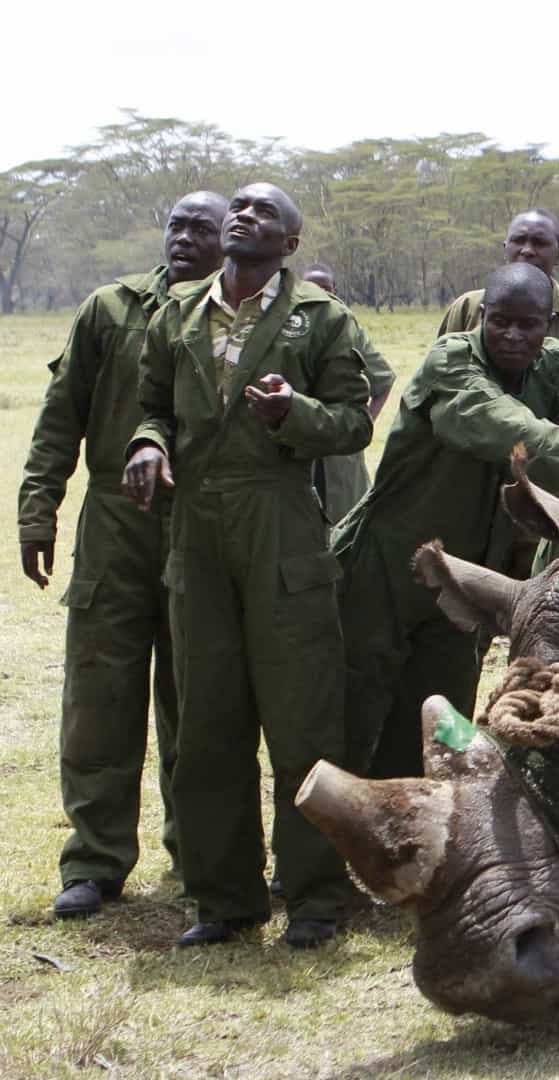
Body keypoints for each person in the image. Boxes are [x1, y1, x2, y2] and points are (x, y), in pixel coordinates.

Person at [124, 182, 373, 949]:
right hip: (195, 527)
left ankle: (316, 898)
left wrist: (292, 413)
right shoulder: (178, 311)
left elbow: (355, 421)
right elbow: (151, 406)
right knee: (206, 720)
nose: (244, 216)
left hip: (281, 521)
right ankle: (225, 900)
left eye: (265, 213)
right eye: (239, 206)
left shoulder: (322, 320)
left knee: (301, 719)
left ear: (290, 243)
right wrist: (148, 444)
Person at [336, 263, 559, 779]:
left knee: (442, 708)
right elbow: (504, 423)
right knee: (354, 706)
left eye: (528, 324)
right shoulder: (452, 361)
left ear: (547, 325)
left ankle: (421, 827)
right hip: (387, 564)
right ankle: (324, 845)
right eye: (500, 321)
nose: (513, 335)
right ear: (483, 315)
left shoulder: (552, 361)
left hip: (466, 572)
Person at [18, 190, 225, 920]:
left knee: (194, 697)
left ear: (229, 239)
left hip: (200, 520)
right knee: (100, 692)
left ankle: (199, 856)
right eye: (176, 224)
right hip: (113, 518)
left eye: (203, 228)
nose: (186, 238)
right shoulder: (110, 308)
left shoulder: (235, 317)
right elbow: (59, 413)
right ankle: (95, 861)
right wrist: (38, 506)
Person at [436, 208, 559, 394]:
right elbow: (442, 377)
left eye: (539, 243)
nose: (527, 250)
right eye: (518, 241)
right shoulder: (467, 307)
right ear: (505, 248)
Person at [300, 263, 395, 523]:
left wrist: (364, 422)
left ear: (336, 292)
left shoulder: (347, 328)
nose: (321, 297)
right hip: (301, 445)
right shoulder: (291, 329)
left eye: (327, 290)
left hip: (340, 453)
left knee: (345, 520)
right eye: (312, 289)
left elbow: (384, 380)